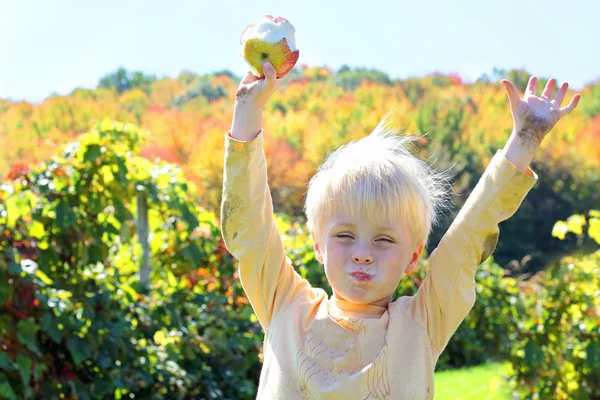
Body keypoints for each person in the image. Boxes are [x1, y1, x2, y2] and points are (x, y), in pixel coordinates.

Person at [220, 61, 580, 399]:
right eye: (345, 235)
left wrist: (526, 137)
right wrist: (247, 108)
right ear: (318, 244)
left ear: (413, 256)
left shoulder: (421, 323)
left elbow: (470, 235)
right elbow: (249, 223)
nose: (362, 252)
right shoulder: (286, 307)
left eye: (384, 239)